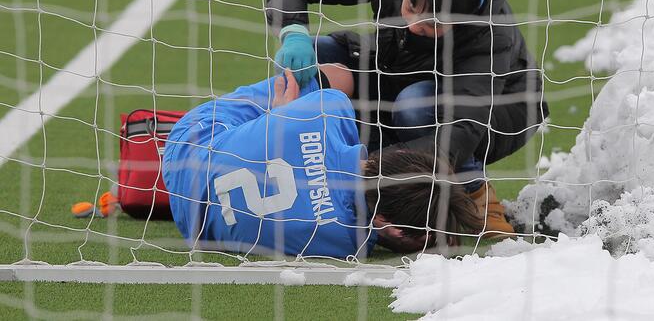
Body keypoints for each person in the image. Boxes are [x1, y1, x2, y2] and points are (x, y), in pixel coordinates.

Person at [266, 0, 549, 237]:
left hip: (495, 111)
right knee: (315, 54)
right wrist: (293, 31)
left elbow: (461, 130)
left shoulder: (489, 35)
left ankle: (473, 191)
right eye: (411, 7)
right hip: (402, 71)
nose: (414, 26)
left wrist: (364, 165)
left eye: (433, 24)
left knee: (414, 107)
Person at [161, 65, 481, 258]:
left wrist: (283, 117)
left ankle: (271, 118)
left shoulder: (331, 109)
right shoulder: (351, 243)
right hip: (196, 228)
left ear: (395, 154)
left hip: (188, 146)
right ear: (387, 222)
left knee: (334, 76)